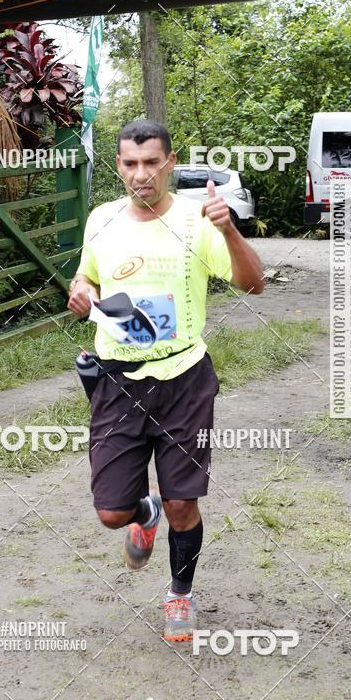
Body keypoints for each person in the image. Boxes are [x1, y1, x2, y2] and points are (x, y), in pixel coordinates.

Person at [67, 120, 264, 642]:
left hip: (184, 379)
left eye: (152, 162)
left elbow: (254, 283)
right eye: (131, 164)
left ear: (170, 163)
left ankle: (180, 592)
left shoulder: (199, 220)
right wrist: (80, 289)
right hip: (117, 382)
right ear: (118, 168)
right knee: (111, 514)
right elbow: (87, 275)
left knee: (184, 502)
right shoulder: (102, 220)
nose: (141, 174)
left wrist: (228, 229)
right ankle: (142, 509)